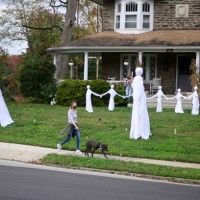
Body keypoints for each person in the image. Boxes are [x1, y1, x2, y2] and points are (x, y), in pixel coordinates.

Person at [130, 67, 150, 140]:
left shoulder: (135, 79)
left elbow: (134, 88)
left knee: (138, 114)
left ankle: (138, 131)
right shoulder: (139, 79)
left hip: (138, 100)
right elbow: (139, 91)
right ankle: (141, 131)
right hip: (140, 100)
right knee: (141, 114)